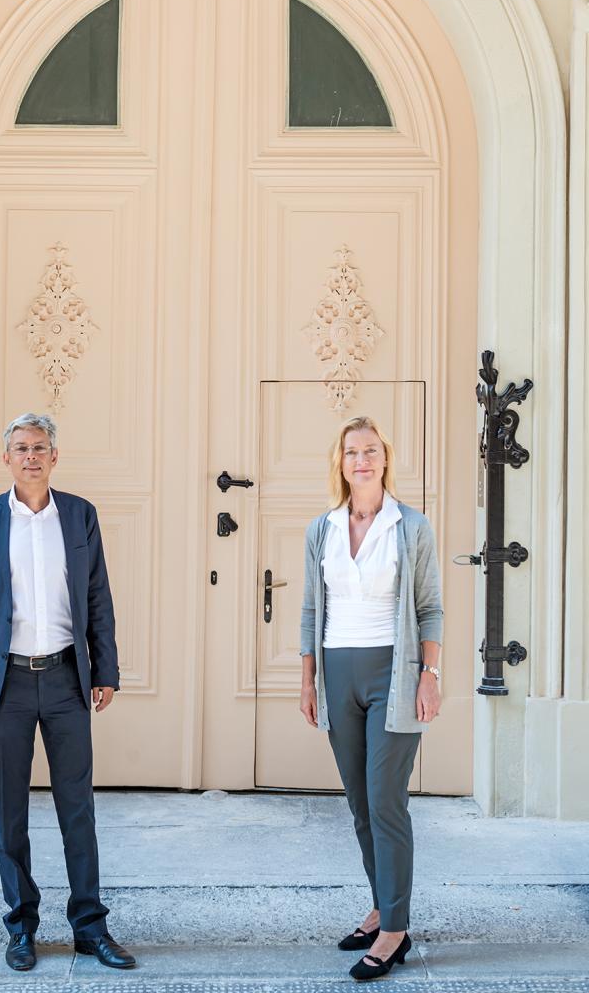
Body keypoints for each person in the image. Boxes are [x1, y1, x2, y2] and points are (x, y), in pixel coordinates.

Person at [0, 412, 136, 973]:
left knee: (77, 808)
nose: (31, 456)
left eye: (41, 447)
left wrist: (106, 669)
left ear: (55, 457)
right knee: (9, 812)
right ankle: (21, 927)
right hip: (4, 682)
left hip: (64, 680)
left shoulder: (79, 517)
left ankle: (89, 928)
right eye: (21, 448)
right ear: (6, 458)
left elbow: (98, 597)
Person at [299, 415, 443, 983]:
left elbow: (429, 606)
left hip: (395, 673)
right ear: (340, 461)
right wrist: (308, 681)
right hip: (338, 672)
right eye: (352, 451)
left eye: (371, 451)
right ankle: (384, 905)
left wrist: (429, 673)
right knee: (360, 804)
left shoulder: (410, 527)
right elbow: (313, 609)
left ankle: (394, 930)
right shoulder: (323, 529)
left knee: (386, 801)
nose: (362, 460)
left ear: (385, 459)